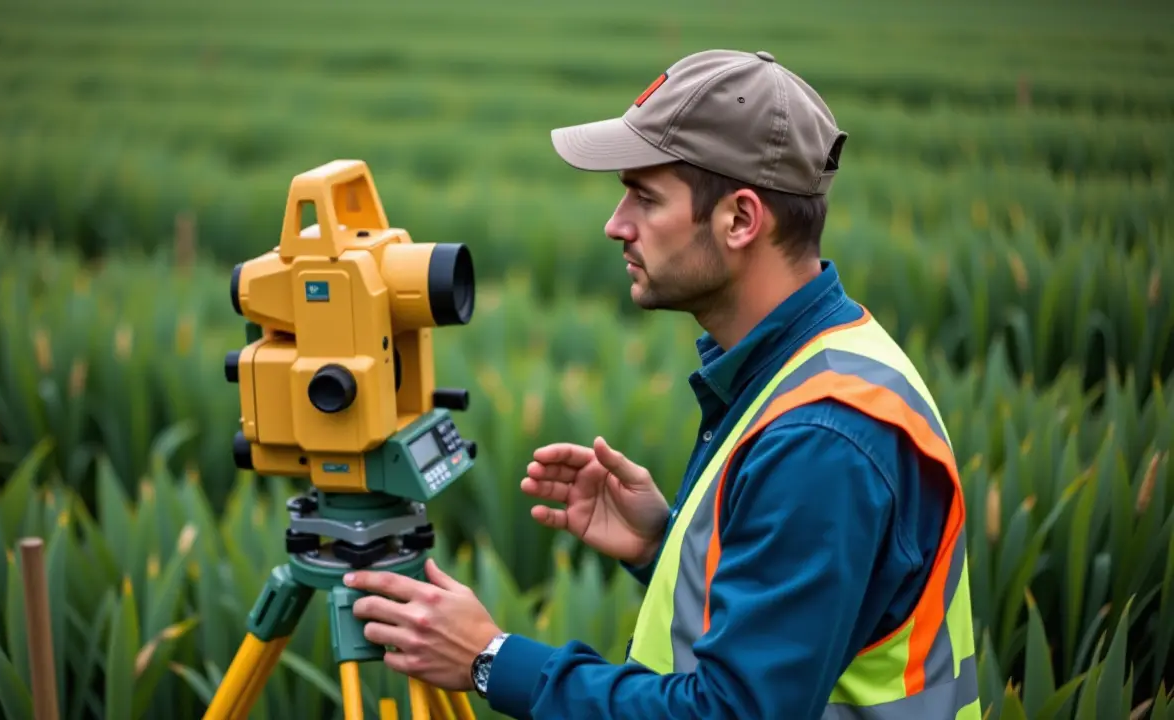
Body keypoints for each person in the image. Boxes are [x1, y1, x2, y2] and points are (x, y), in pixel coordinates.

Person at [342, 48, 980, 719]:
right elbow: (813, 628)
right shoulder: (822, 363)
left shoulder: (823, 438)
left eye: (645, 197)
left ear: (740, 219)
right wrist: (663, 544)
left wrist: (490, 658)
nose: (616, 224)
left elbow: (729, 712)